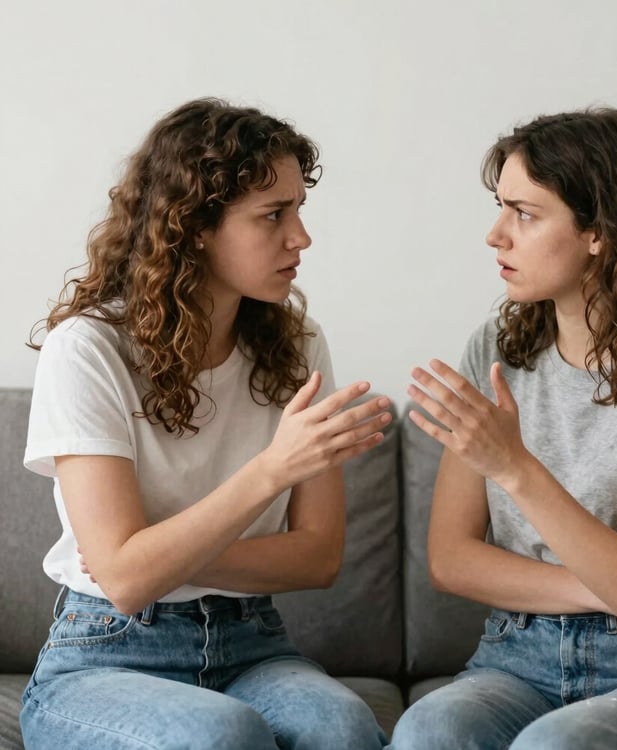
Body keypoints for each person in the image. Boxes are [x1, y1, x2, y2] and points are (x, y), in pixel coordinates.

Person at [20, 97, 390, 750]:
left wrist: (156, 556)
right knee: (224, 735)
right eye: (273, 215)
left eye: (299, 210)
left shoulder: (299, 345)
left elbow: (319, 556)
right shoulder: (87, 349)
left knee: (344, 727)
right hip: (106, 654)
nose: (301, 237)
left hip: (251, 641)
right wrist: (271, 470)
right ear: (193, 226)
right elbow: (125, 585)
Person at [389, 108, 617, 749]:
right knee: (427, 729)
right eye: (501, 209)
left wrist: (514, 467)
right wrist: (610, 590)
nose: (496, 235)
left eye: (525, 214)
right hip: (515, 657)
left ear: (600, 233)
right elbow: (450, 559)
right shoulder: (494, 351)